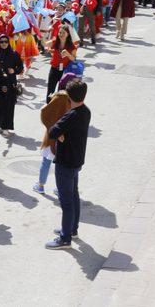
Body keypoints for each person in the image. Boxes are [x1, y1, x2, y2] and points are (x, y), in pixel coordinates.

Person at [45, 80, 91, 249]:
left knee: (66, 201)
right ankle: (72, 229)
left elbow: (53, 131)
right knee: (74, 195)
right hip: (77, 160)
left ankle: (65, 238)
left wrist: (60, 135)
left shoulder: (71, 115)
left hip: (65, 162)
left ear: (69, 96)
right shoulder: (85, 111)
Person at [33, 73, 78, 195]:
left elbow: (44, 112)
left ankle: (41, 185)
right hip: (64, 135)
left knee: (47, 161)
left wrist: (51, 128)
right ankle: (59, 188)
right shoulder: (69, 97)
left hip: (55, 134)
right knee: (61, 165)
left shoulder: (61, 96)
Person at [0, 34, 23, 135]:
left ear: (9, 42)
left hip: (10, 83)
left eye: (5, 41)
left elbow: (20, 67)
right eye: (1, 42)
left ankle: (6, 126)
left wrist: (14, 71)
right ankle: (0, 125)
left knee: (9, 106)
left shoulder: (14, 54)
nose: (4, 43)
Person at [45, 24, 77, 103]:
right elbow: (45, 43)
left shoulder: (71, 46)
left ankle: (60, 109)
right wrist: (47, 33)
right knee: (50, 90)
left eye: (63, 33)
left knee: (62, 92)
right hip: (54, 69)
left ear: (68, 34)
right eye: (60, 33)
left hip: (65, 71)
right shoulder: (55, 42)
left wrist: (68, 54)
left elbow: (74, 59)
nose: (61, 35)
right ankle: (49, 107)